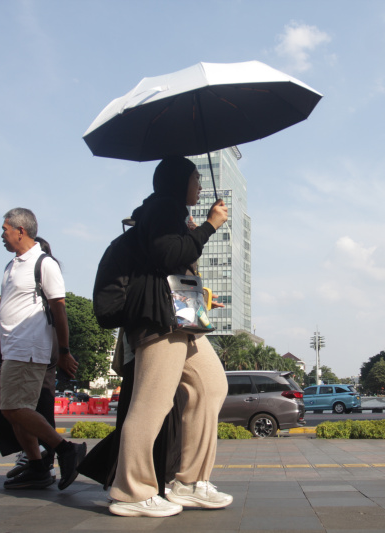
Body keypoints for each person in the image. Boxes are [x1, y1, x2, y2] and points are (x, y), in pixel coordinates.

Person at [108, 157, 231, 518]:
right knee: (152, 402)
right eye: (195, 178)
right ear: (179, 181)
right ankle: (131, 490)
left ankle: (190, 482)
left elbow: (177, 263)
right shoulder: (161, 208)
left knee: (211, 385)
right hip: (159, 316)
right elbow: (167, 255)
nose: (200, 185)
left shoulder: (173, 212)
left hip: (182, 315)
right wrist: (210, 225)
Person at [0, 208, 86, 490]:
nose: (2, 235)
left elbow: (59, 309)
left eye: (5, 229)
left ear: (20, 230)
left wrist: (64, 350)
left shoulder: (44, 263)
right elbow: (3, 309)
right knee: (10, 408)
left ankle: (65, 450)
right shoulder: (11, 266)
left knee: (14, 407)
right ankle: (37, 465)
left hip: (30, 347)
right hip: (12, 349)